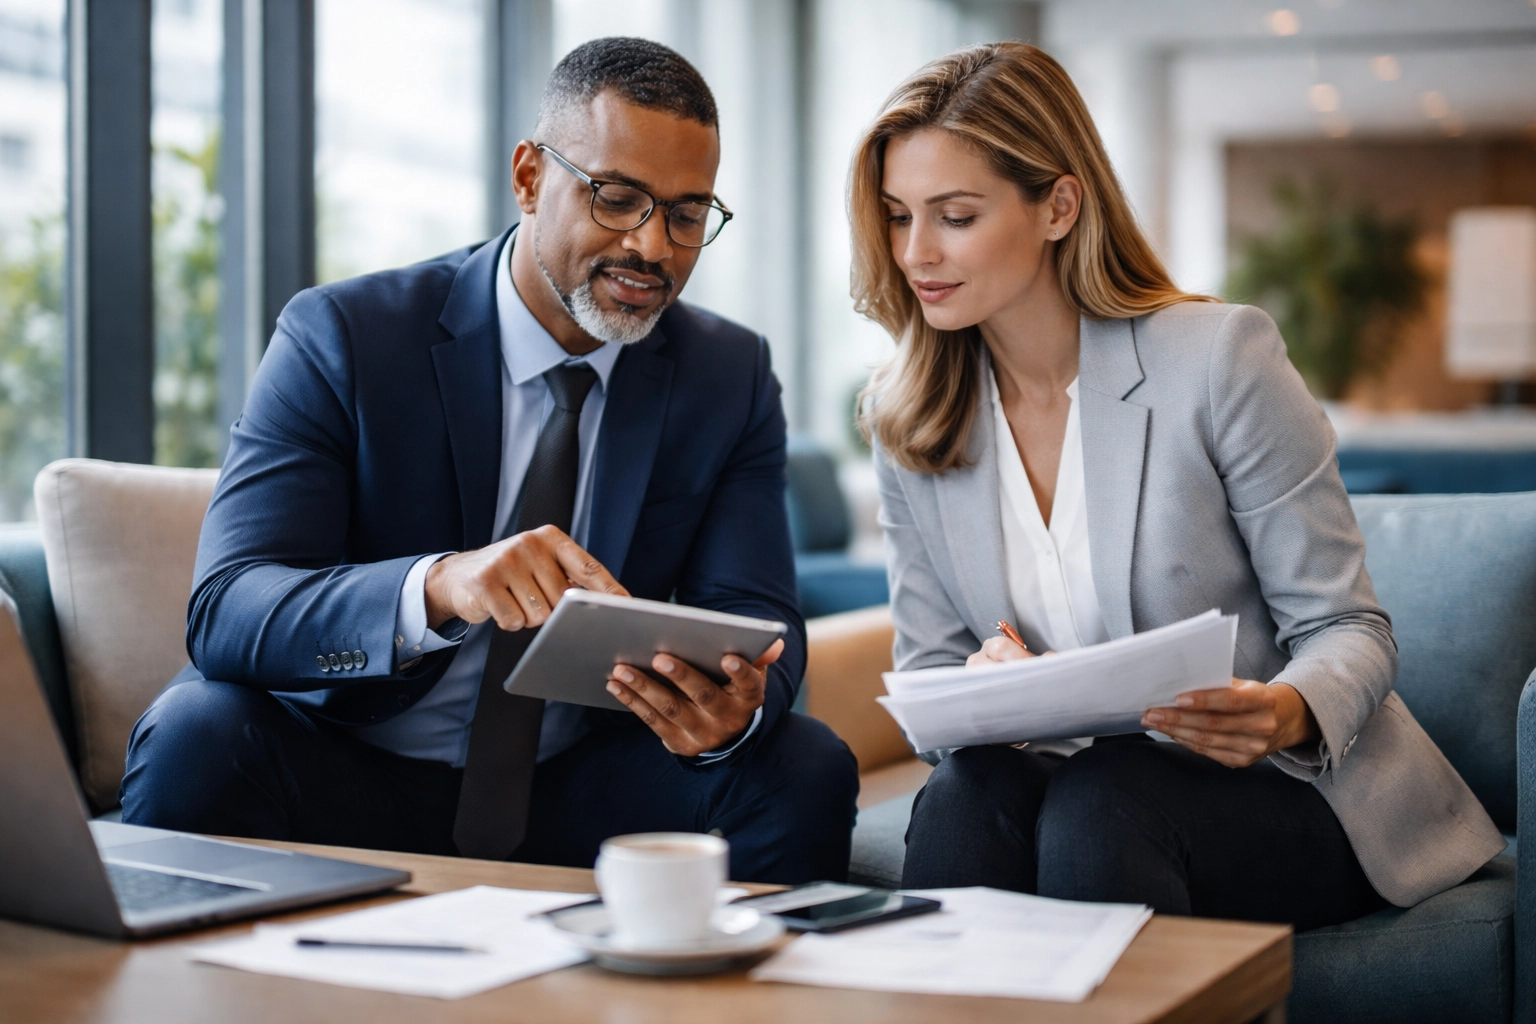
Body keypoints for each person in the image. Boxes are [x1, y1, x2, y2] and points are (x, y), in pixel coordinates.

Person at [119, 37, 858, 885]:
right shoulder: (346, 336)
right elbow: (228, 608)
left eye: (687, 215)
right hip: (350, 763)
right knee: (196, 734)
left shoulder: (727, 375)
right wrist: (438, 587)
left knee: (801, 765)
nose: (653, 246)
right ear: (529, 177)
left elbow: (760, 618)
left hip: (579, 785)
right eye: (618, 199)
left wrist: (729, 709)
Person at [854, 42, 1502, 927]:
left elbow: (1347, 628)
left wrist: (1285, 710)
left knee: (1105, 796)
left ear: (1059, 207)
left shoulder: (1217, 359)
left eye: (955, 216)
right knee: (967, 793)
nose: (915, 252)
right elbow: (929, 674)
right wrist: (983, 690)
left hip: (1281, 792)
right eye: (897, 216)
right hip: (1070, 787)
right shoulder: (910, 416)